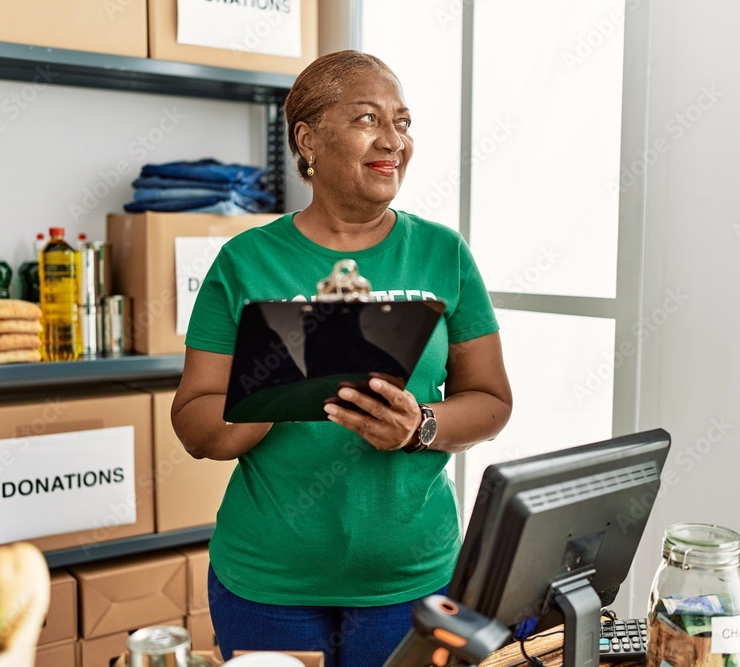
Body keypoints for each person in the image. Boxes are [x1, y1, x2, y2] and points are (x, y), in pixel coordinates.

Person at [171, 50, 513, 667]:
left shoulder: (443, 254)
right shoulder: (245, 262)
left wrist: (420, 427)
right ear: (307, 139)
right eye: (366, 119)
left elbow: (491, 402)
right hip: (268, 587)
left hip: (414, 582)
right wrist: (294, 362)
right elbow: (196, 427)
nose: (393, 141)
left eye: (403, 122)